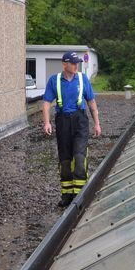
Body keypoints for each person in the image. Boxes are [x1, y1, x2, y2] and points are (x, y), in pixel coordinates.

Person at [42, 51, 101, 207]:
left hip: (80, 120)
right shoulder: (54, 81)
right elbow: (47, 103)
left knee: (80, 157)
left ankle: (80, 196)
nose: (76, 66)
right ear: (64, 64)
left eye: (77, 63)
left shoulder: (82, 79)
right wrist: (47, 122)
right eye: (73, 63)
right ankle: (67, 195)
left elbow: (92, 103)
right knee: (65, 160)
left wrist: (97, 123)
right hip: (62, 122)